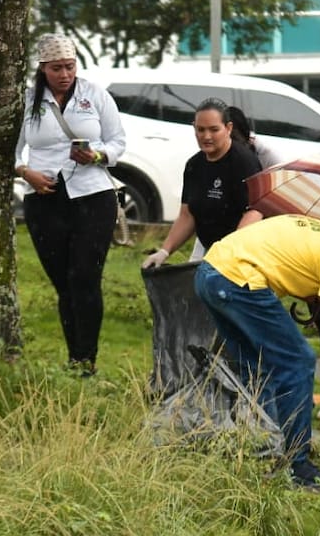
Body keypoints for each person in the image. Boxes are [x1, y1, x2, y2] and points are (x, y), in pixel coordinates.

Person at [192, 215, 320, 489]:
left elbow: (290, 262)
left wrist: (310, 294)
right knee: (299, 361)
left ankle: (262, 454)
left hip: (210, 273)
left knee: (257, 370)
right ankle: (297, 464)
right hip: (238, 280)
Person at [15, 34, 127, 377]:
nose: (64, 74)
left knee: (85, 277)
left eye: (69, 66)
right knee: (63, 282)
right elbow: (13, 149)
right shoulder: (28, 100)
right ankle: (74, 357)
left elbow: (118, 142)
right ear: (42, 69)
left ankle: (86, 360)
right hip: (45, 197)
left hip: (92, 195)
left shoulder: (94, 95)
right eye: (56, 68)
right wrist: (25, 172)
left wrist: (96, 155)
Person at [141, 99, 263, 269]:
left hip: (241, 255)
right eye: (201, 130)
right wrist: (164, 251)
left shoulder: (244, 162)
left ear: (228, 128)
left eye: (214, 130)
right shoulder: (194, 165)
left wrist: (229, 252)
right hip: (210, 250)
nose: (206, 136)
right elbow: (187, 215)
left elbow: (254, 212)